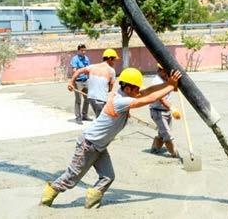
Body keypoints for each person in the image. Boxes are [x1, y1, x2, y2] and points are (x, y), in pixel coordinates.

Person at [41, 68, 183, 209]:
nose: (138, 91)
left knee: (107, 177)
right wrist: (170, 85)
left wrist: (168, 84)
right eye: (136, 88)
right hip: (88, 144)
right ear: (128, 87)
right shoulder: (120, 101)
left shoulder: (125, 94)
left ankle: (91, 204)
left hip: (99, 147)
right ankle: (45, 201)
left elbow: (147, 91)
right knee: (71, 178)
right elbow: (149, 98)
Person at [68, 48, 117, 119]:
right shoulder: (111, 71)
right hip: (100, 99)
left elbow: (78, 71)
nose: (114, 62)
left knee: (100, 118)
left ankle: (85, 116)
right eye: (114, 60)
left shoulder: (93, 66)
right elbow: (110, 88)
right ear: (109, 59)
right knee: (102, 120)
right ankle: (79, 117)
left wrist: (71, 82)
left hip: (91, 97)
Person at [149, 63, 181, 158]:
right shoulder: (157, 82)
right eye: (166, 71)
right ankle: (176, 155)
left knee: (162, 133)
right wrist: (173, 109)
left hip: (166, 110)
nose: (168, 73)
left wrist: (175, 81)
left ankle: (154, 149)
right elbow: (162, 99)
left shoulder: (166, 78)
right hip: (157, 111)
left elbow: (175, 89)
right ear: (161, 70)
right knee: (167, 135)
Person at [70, 44, 91, 124]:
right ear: (78, 51)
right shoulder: (75, 59)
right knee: (78, 99)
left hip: (86, 80)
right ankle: (78, 117)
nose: (84, 52)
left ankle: (85, 115)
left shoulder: (86, 58)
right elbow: (74, 70)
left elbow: (88, 69)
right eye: (82, 50)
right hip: (78, 81)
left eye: (85, 50)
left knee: (88, 98)